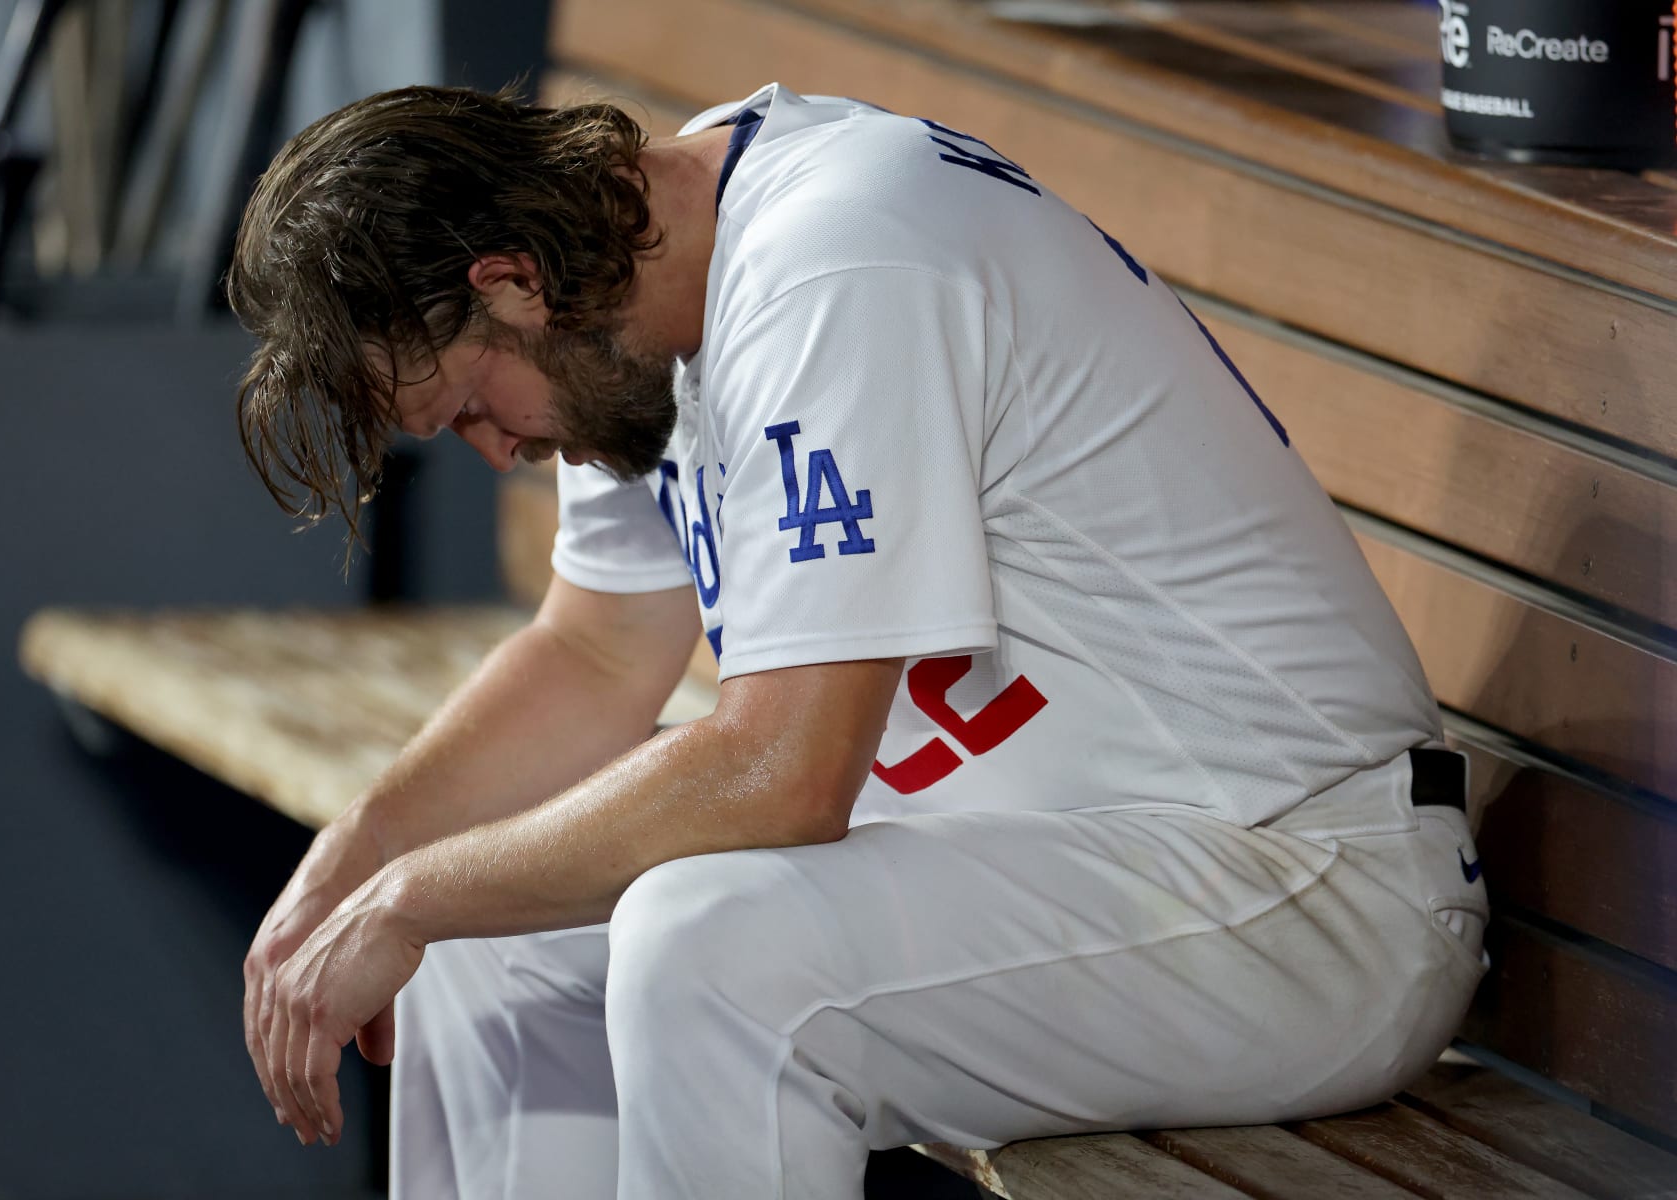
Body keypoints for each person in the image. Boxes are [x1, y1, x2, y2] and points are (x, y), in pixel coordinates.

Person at [227, 82, 1489, 1200]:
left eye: (466, 408)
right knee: (479, 939)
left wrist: (410, 898)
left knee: (706, 949)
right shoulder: (620, 311)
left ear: (511, 280)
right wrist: (368, 858)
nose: (497, 451)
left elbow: (787, 774)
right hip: (1066, 864)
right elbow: (599, 653)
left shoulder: (835, 259)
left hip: (1297, 883)